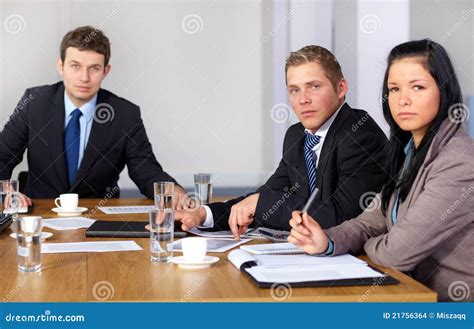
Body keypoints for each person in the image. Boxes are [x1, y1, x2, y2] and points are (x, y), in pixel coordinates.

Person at [288, 39, 474, 302]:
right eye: (394, 89)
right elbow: (370, 221)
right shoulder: (410, 152)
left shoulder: (459, 162)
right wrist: (326, 240)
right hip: (410, 294)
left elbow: (396, 254)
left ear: (444, 92)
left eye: (418, 87)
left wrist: (374, 242)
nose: (403, 100)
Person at [175, 45, 388, 238]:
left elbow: (339, 216)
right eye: (294, 90)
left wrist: (262, 203)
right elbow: (268, 195)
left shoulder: (360, 134)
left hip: (358, 259)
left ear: (341, 88)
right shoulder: (297, 135)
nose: (303, 99)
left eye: (314, 86)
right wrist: (205, 214)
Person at [0, 26, 187, 206]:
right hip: (41, 215)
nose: (84, 77)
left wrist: (174, 191)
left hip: (98, 219)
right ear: (61, 66)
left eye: (94, 68)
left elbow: (146, 170)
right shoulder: (34, 103)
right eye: (75, 66)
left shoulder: (125, 114)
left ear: (105, 71)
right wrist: (5, 188)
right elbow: (2, 156)